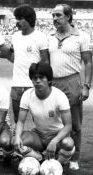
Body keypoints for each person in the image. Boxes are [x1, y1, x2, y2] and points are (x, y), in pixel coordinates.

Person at [48, 4, 92, 170]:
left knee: (74, 123)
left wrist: (86, 86)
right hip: (52, 83)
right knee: (54, 120)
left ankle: (75, 158)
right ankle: (60, 153)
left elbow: (88, 62)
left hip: (71, 82)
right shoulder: (49, 36)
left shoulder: (82, 36)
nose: (54, 18)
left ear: (68, 17)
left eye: (58, 15)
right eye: (53, 15)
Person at [13, 62, 75, 165]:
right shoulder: (27, 95)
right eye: (34, 78)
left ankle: (58, 163)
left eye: (41, 78)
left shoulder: (59, 96)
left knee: (68, 143)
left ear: (49, 80)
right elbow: (20, 121)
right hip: (38, 135)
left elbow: (68, 126)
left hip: (57, 135)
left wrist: (54, 141)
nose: (37, 81)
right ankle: (39, 157)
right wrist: (17, 137)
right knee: (15, 142)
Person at [10, 4, 49, 123]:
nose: (18, 21)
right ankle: (18, 139)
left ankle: (39, 140)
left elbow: (45, 61)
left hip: (33, 84)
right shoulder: (15, 36)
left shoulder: (40, 37)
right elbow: (12, 54)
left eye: (21, 18)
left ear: (30, 19)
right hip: (16, 83)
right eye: (17, 18)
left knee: (38, 118)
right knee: (17, 118)